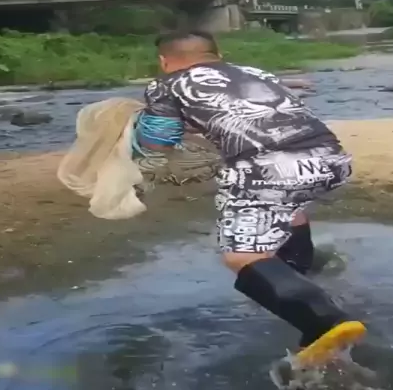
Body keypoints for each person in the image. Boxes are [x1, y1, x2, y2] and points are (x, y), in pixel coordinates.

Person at [134, 30, 361, 356]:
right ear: (217, 55)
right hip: (331, 160)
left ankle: (323, 319)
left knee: (241, 256)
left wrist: (139, 130)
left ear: (164, 61)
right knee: (287, 208)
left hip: (268, 168)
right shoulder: (254, 73)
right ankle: (296, 271)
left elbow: (159, 143)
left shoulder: (165, 85)